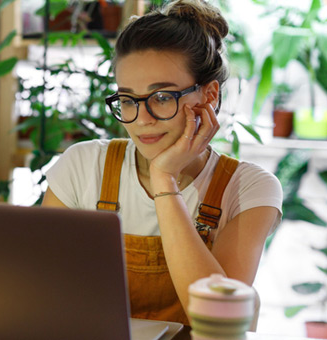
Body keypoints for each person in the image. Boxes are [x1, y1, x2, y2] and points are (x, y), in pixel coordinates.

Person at [41, 0, 282, 325]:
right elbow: (41, 289)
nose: (141, 119)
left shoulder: (248, 188)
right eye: (128, 100)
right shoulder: (84, 164)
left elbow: (221, 319)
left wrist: (164, 180)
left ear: (209, 95)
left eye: (162, 97)